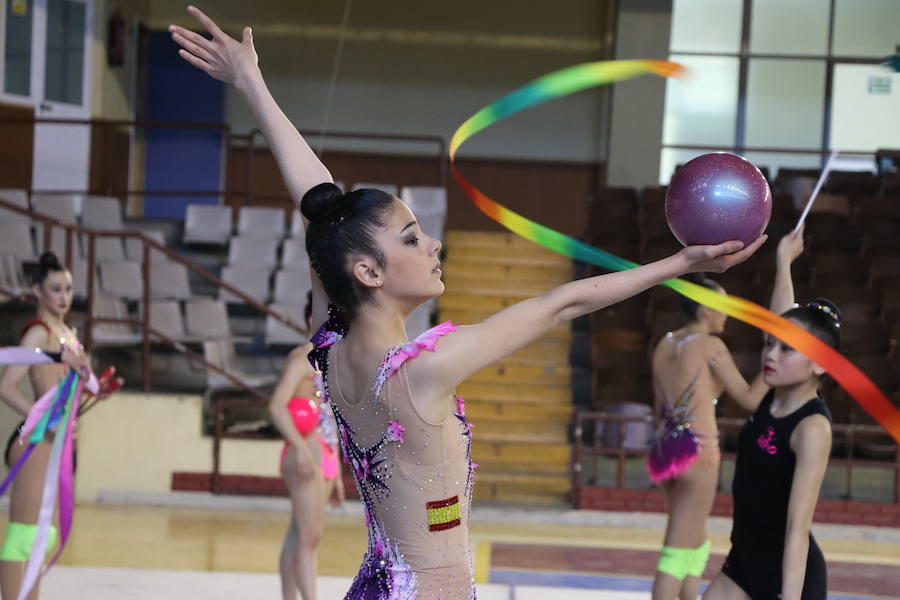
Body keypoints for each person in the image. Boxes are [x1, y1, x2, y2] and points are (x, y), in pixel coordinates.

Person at [169, 7, 765, 597]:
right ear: (368, 271)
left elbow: (320, 203)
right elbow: (564, 304)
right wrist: (684, 263)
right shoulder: (425, 369)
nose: (433, 245)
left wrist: (253, 83)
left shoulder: (329, 346)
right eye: (411, 239)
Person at [647, 228, 806, 599]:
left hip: (666, 453)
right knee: (675, 548)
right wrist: (775, 363)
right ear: (705, 309)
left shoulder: (665, 343)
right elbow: (750, 400)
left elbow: (658, 407)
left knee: (693, 537)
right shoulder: (711, 345)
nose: (727, 316)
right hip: (699, 453)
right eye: (723, 309)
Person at [702, 229, 833, 600]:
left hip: (788, 581)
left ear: (818, 364)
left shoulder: (811, 427)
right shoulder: (770, 397)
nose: (771, 355)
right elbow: (780, 320)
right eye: (769, 344)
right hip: (742, 564)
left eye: (786, 350)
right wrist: (782, 261)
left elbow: (797, 528)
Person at [0, 252, 84, 599]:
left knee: (38, 537)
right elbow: (5, 385)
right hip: (35, 441)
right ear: (37, 291)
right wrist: (41, 418)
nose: (63, 297)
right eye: (55, 289)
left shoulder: (69, 334)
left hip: (57, 441)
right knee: (21, 534)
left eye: (67, 289)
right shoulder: (39, 334)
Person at [269, 299, 343, 600]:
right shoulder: (301, 359)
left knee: (299, 536)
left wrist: (336, 471)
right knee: (309, 539)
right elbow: (276, 406)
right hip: (307, 453)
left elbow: (332, 421)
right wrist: (299, 449)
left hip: (324, 454)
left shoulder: (333, 361)